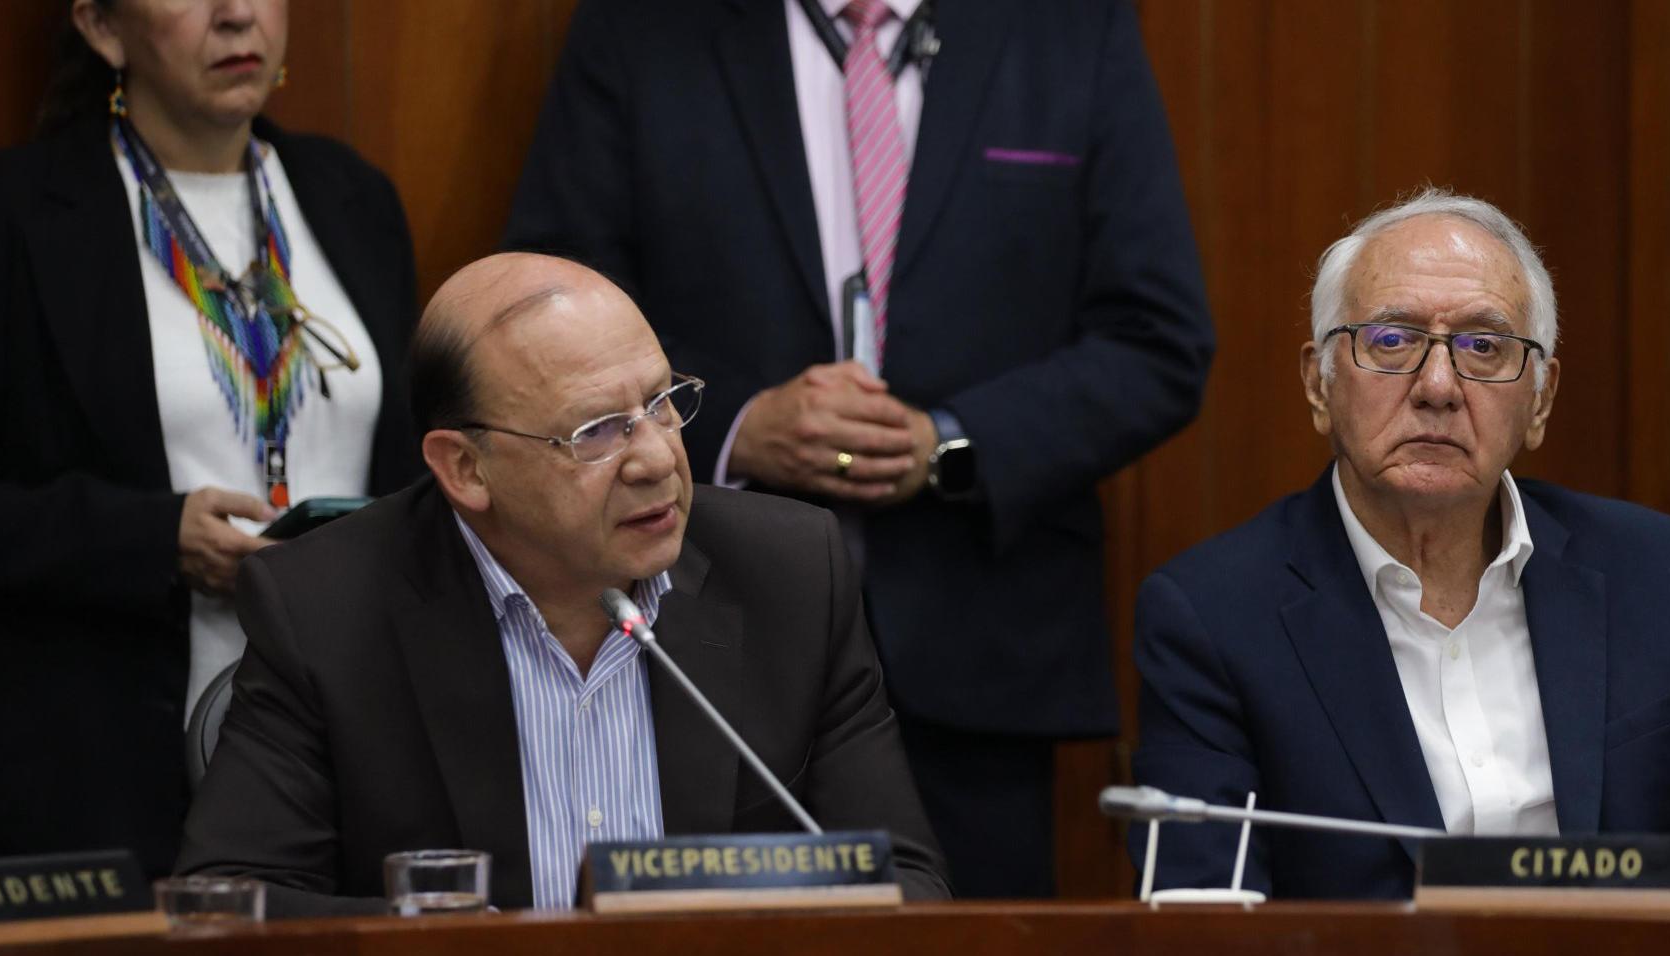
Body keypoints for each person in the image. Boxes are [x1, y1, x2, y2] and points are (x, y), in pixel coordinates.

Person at [501, 0, 1214, 897]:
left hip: (978, 646)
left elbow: (1157, 340)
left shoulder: (1066, 26)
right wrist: (730, 423)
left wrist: (948, 444)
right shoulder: (643, 28)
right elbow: (546, 310)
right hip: (698, 627)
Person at [176, 254, 951, 915]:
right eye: (597, 432)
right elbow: (230, 904)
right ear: (465, 468)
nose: (654, 459)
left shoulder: (788, 573)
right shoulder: (324, 607)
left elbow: (907, 886)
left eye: (661, 405)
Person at [0, 0, 421, 875]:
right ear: (103, 28)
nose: (237, 16)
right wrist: (157, 539)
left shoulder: (353, 198)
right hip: (97, 771)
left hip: (338, 753)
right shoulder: (2, 213)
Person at [1130, 188, 1670, 903]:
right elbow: (1205, 925)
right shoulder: (1212, 616)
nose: (1438, 386)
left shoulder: (1656, 574)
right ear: (1318, 384)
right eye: (1390, 340)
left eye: (1483, 346)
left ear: (1539, 399)